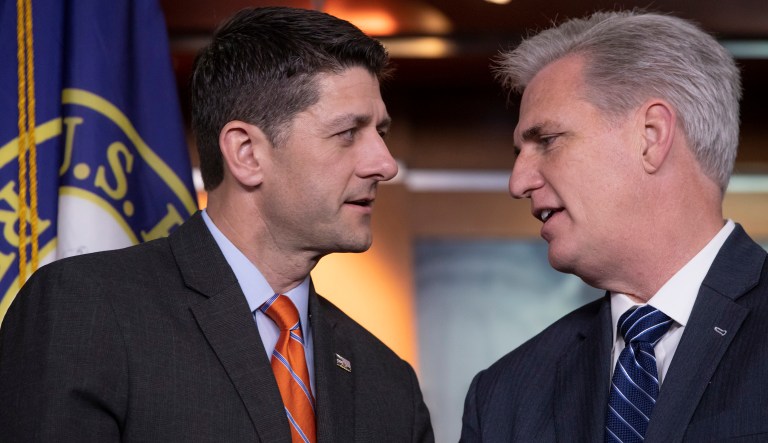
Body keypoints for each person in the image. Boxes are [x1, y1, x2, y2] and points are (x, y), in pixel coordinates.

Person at [0, 7, 434, 442]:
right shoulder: (86, 311)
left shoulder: (390, 383)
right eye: (349, 133)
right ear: (246, 153)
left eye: (382, 132)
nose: (384, 164)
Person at [461, 10, 768, 443]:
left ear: (650, 135)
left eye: (546, 141)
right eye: (518, 152)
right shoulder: (504, 393)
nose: (518, 182)